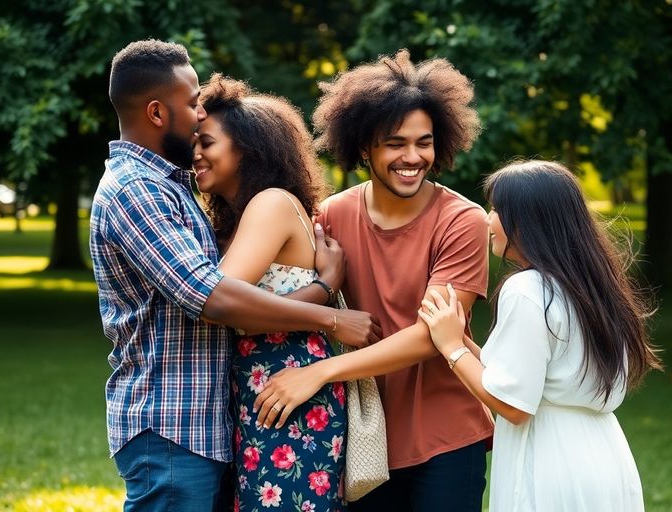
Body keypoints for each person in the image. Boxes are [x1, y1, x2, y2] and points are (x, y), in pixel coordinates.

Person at [90, 40, 378, 512]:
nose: (199, 113)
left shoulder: (176, 190)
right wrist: (325, 300)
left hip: (238, 417)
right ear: (158, 113)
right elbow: (214, 298)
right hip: (172, 425)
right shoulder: (136, 190)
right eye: (191, 103)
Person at [253, 50, 492, 511]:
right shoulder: (331, 215)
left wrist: (318, 373)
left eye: (424, 142)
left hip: (446, 435)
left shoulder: (463, 220)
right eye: (395, 143)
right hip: (363, 433)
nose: (412, 157)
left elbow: (430, 338)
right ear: (364, 146)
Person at [418, 160, 663, 511]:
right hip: (605, 455)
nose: (487, 220)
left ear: (526, 220)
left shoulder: (527, 289)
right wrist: (461, 339)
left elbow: (514, 405)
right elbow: (528, 371)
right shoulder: (593, 285)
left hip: (549, 460)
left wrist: (452, 348)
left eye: (497, 209)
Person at [193, 74, 348, 510]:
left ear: (247, 148)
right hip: (260, 390)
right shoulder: (243, 214)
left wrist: (324, 293)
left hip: (287, 391)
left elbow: (218, 303)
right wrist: (323, 288)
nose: (196, 154)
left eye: (206, 142)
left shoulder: (271, 203)